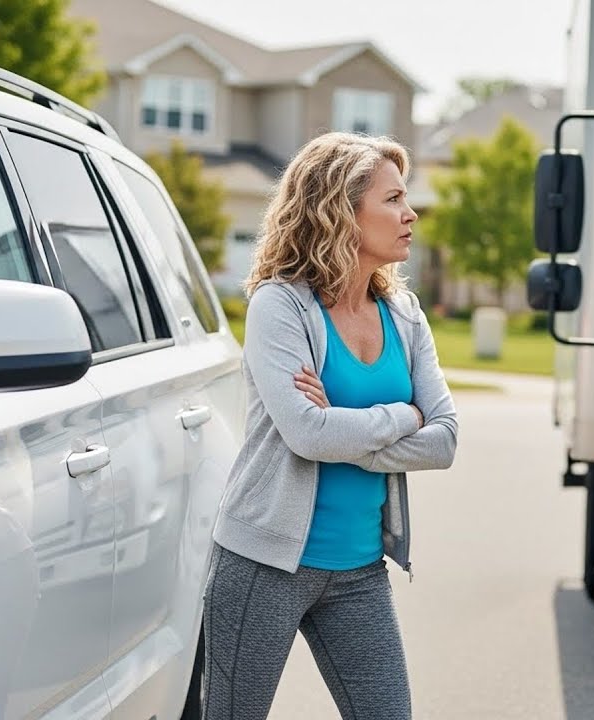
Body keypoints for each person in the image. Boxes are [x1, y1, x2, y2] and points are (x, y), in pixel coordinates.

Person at [202, 131, 458, 720]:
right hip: (263, 565)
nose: (410, 213)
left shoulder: (405, 313)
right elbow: (307, 435)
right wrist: (402, 417)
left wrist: (344, 432)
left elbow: (444, 439)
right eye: (393, 199)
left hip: (359, 569)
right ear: (340, 210)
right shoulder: (280, 306)